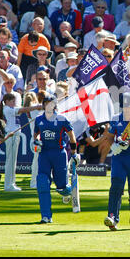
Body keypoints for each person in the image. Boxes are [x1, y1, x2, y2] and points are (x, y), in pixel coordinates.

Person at [32, 93, 81, 223]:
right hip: (44, 154)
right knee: (42, 183)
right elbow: (36, 135)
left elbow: (71, 135)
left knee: (62, 187)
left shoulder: (62, 119)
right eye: (45, 103)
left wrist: (74, 153)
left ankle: (68, 191)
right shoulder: (38, 119)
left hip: (59, 154)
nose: (47, 105)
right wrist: (36, 141)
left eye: (50, 103)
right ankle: (46, 216)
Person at [103, 92, 130, 231]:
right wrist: (113, 146)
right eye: (125, 107)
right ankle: (112, 218)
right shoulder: (116, 118)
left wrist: (127, 143)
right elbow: (110, 136)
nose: (128, 109)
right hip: (119, 158)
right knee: (116, 186)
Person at [0, 93, 42, 192]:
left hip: (14, 136)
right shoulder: (7, 109)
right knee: (11, 161)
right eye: (13, 101)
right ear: (7, 101)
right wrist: (36, 107)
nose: (14, 103)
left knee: (13, 161)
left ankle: (11, 183)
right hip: (11, 136)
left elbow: (22, 110)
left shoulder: (10, 109)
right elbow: (23, 110)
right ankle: (8, 185)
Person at [23, 91, 43, 188]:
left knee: (37, 161)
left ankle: (35, 182)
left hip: (34, 140)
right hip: (36, 140)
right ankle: (34, 183)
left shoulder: (32, 108)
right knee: (36, 161)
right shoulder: (34, 109)